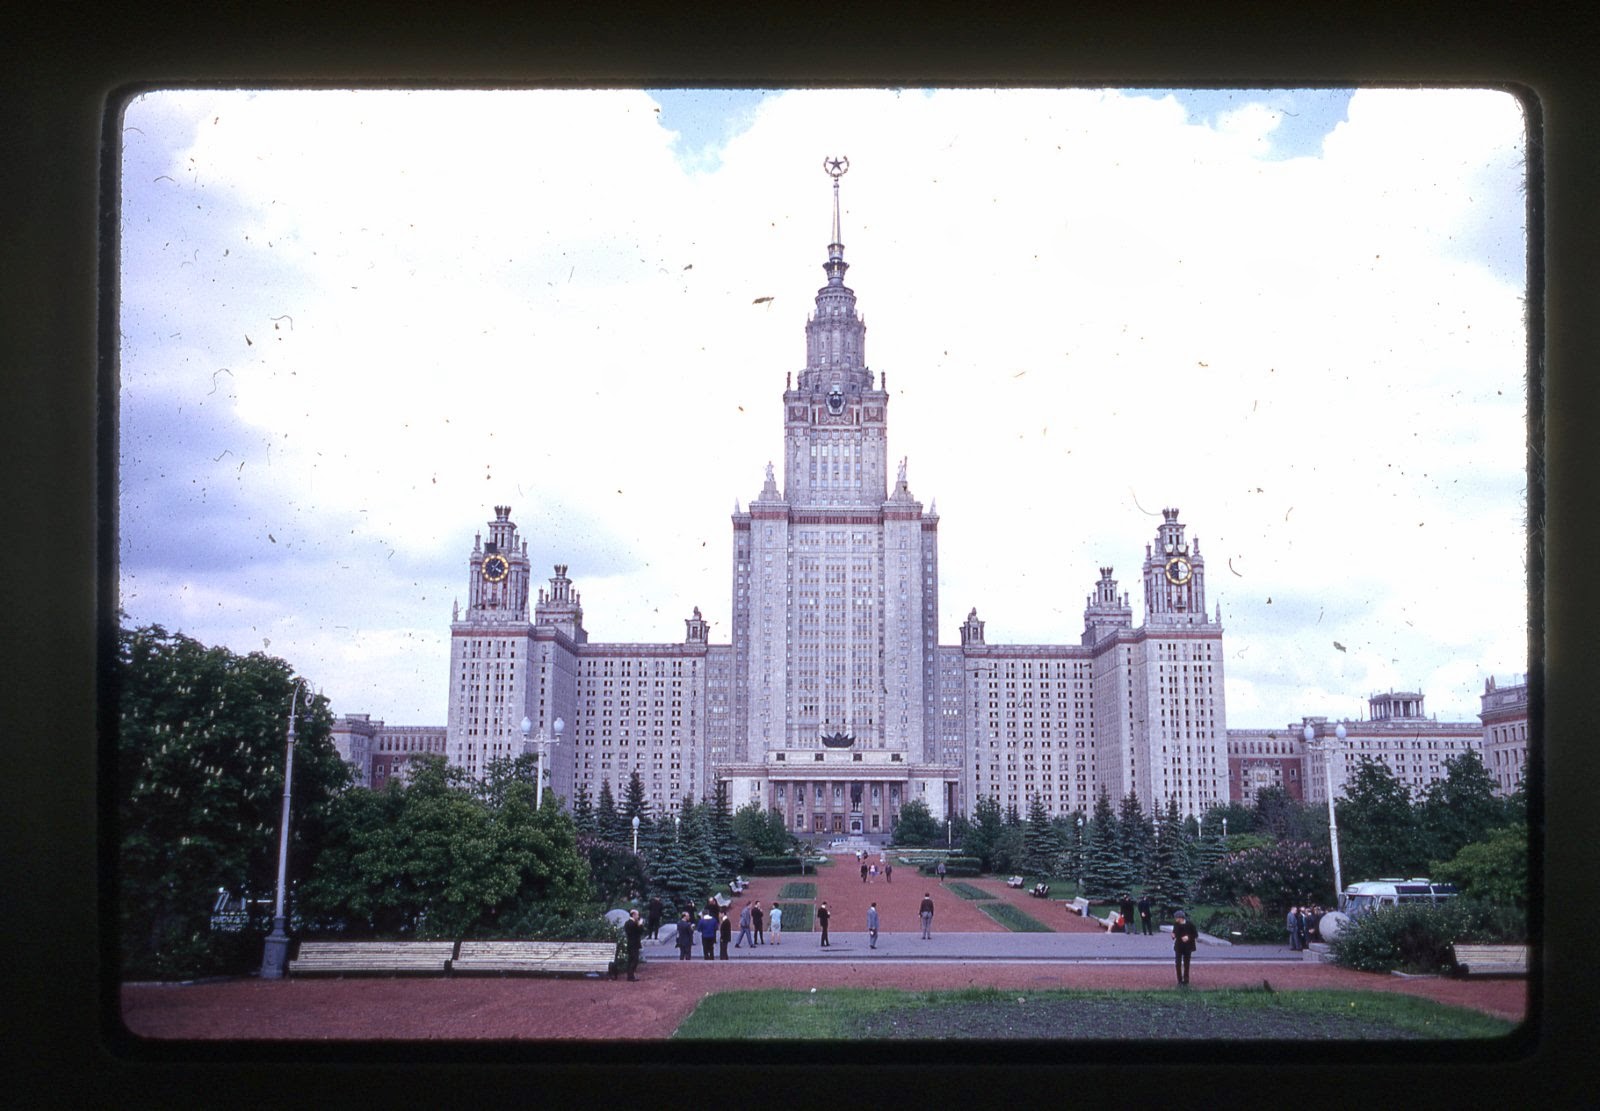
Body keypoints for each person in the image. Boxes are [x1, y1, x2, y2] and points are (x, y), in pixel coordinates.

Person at [1172, 909, 1199, 984]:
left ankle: (1186, 980)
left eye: (1176, 918)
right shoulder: (1176, 924)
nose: (1175, 919)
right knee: (1178, 963)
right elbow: (1175, 932)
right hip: (1179, 946)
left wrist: (1188, 937)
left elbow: (1195, 934)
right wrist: (1173, 935)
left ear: (1181, 918)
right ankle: (1179, 980)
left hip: (1187, 947)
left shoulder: (1190, 924)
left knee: (1186, 964)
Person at [623, 909, 643, 981]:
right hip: (634, 944)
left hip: (630, 943)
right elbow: (639, 932)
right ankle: (631, 976)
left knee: (630, 960)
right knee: (635, 959)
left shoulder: (627, 923)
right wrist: (640, 924)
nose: (638, 916)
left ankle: (630, 975)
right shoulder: (633, 923)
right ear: (633, 915)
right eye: (637, 915)